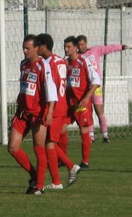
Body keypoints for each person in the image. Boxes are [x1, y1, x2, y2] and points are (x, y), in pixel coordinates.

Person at [7, 34, 55, 195]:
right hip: (22, 113)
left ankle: (39, 186)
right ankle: (34, 176)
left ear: (36, 48)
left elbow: (51, 91)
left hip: (38, 113)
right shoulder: (23, 64)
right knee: (13, 148)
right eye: (23, 47)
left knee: (38, 148)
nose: (24, 51)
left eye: (27, 48)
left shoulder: (43, 66)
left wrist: (50, 113)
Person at [35, 33, 82, 190]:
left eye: (37, 46)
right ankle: (59, 178)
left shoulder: (48, 63)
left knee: (50, 144)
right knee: (50, 143)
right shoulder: (60, 61)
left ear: (43, 46)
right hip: (61, 105)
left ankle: (65, 171)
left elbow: (51, 86)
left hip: (54, 108)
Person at [76, 35, 132, 143]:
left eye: (82, 44)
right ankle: (91, 137)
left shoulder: (95, 50)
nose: (80, 47)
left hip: (96, 86)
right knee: (87, 111)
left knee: (99, 110)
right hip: (84, 88)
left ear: (86, 43)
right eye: (79, 45)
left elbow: (111, 48)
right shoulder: (76, 56)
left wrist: (126, 46)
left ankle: (105, 135)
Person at [62, 36, 101, 169]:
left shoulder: (84, 61)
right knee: (61, 129)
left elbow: (96, 81)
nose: (66, 49)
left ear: (75, 48)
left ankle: (85, 161)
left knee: (83, 129)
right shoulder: (65, 63)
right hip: (68, 103)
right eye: (65, 46)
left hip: (81, 103)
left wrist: (86, 98)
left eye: (68, 47)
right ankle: (63, 159)